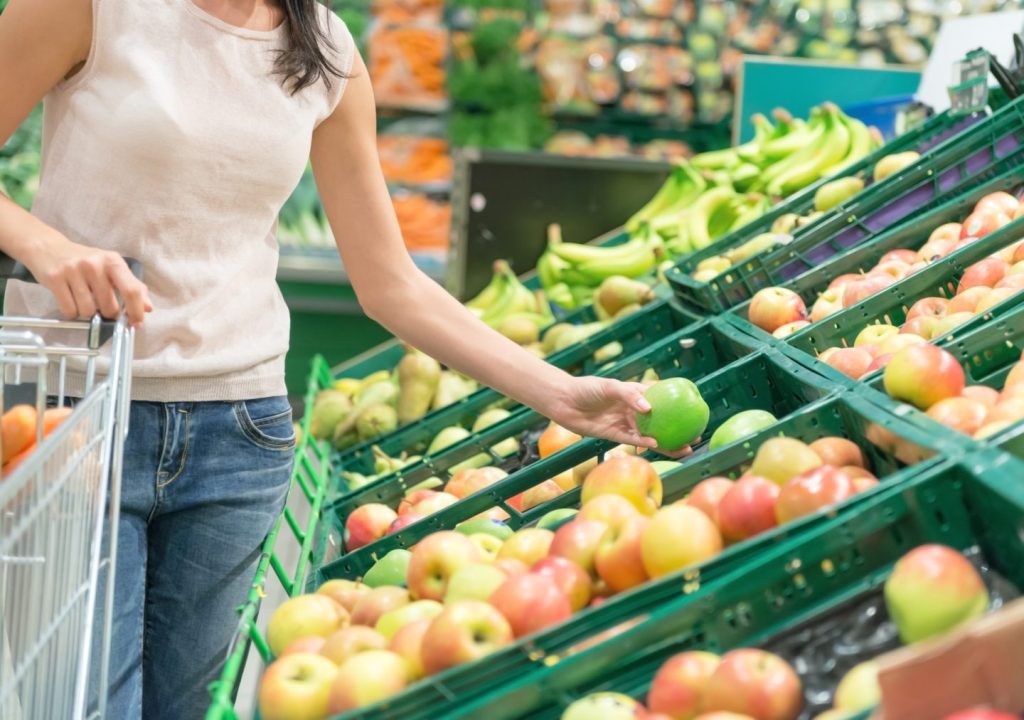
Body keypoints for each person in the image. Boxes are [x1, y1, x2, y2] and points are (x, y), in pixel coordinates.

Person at [0, 1, 683, 717]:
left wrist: (559, 393)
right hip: (78, 420)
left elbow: (390, 283)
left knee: (194, 710)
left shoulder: (323, 47)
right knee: (81, 706)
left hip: (239, 435)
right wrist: (46, 248)